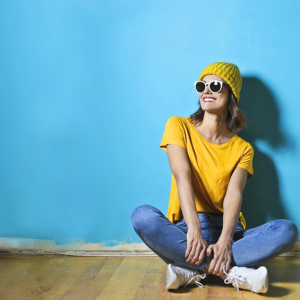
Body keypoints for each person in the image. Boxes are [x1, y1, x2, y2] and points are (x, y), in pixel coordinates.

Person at [131, 62, 298, 294]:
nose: (206, 91)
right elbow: (183, 177)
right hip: (186, 229)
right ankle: (232, 273)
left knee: (287, 230)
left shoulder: (243, 149)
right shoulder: (178, 126)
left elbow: (234, 195)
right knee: (142, 216)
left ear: (231, 94)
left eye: (215, 85)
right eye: (202, 85)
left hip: (231, 232)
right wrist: (194, 230)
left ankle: (192, 270)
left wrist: (226, 240)